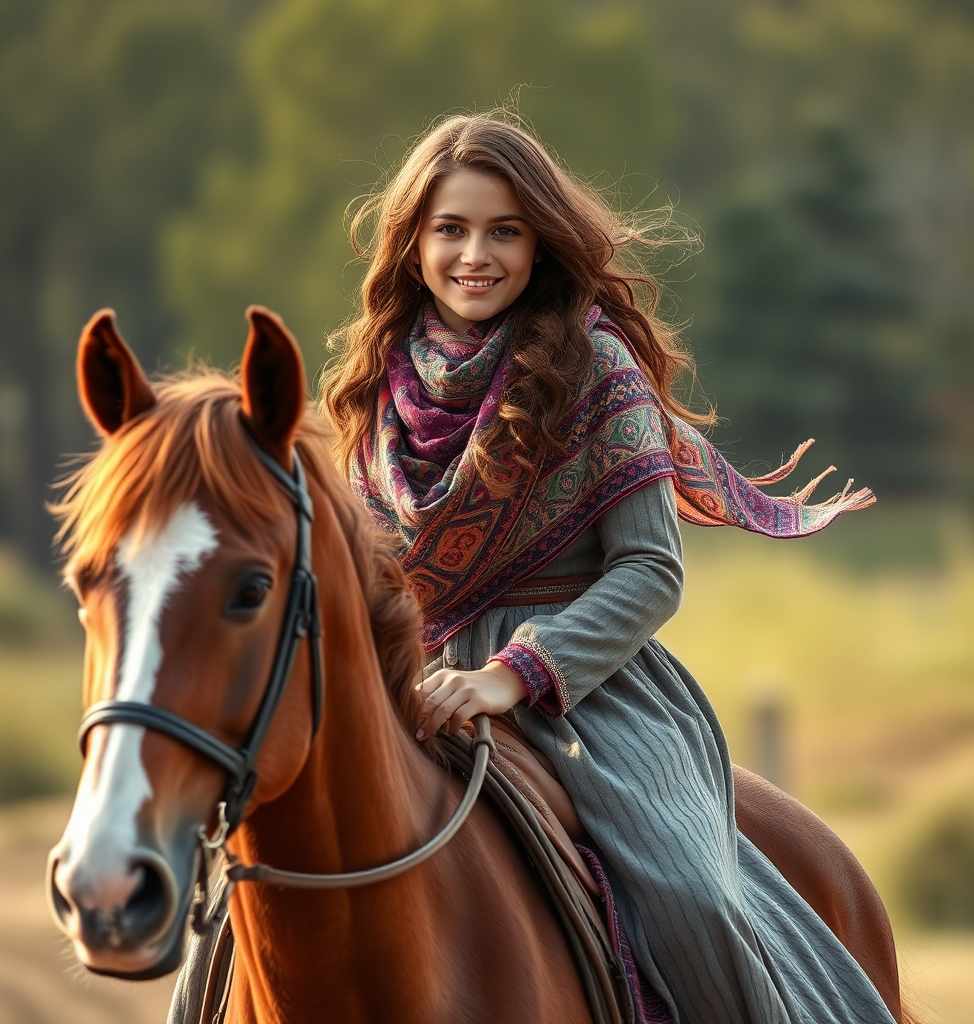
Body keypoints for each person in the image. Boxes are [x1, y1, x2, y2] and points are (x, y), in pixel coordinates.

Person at [319, 113, 894, 1024]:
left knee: (692, 901)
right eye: (451, 230)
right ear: (413, 244)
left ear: (540, 242)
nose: (477, 255)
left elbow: (651, 572)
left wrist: (513, 676)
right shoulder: (372, 387)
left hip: (590, 699)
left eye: (504, 231)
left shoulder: (598, 368)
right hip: (410, 683)